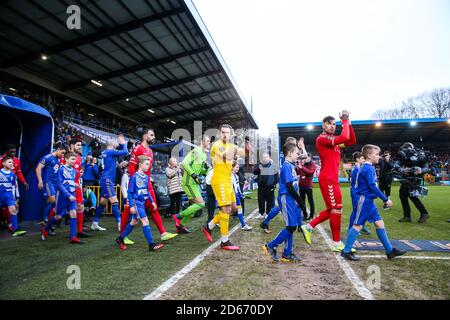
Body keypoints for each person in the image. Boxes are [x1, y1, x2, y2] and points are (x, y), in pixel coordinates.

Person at [301, 110, 357, 252]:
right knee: (336, 210)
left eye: (334, 124)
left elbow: (351, 140)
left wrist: (348, 122)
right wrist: (344, 119)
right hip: (328, 179)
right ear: (323, 126)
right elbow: (344, 136)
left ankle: (308, 227)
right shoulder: (322, 138)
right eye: (329, 124)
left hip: (332, 179)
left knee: (333, 209)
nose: (332, 126)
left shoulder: (335, 143)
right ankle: (336, 243)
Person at [341, 145, 406, 261]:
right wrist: (385, 199)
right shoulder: (368, 168)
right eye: (376, 154)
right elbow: (372, 186)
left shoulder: (368, 167)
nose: (379, 156)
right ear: (369, 156)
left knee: (379, 224)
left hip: (369, 201)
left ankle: (390, 251)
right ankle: (346, 251)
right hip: (364, 200)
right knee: (358, 225)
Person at [120, 129, 177, 241]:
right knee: (128, 210)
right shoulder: (137, 149)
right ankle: (123, 236)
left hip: (147, 185)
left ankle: (163, 233)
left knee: (154, 207)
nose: (153, 137)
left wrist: (149, 179)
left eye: (154, 135)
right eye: (151, 135)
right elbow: (132, 169)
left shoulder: (150, 151)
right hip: (137, 186)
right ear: (145, 136)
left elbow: (147, 170)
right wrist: (135, 185)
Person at [201, 124, 243, 251]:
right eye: (223, 132)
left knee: (233, 209)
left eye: (228, 133)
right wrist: (235, 148)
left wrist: (240, 149)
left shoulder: (230, 145)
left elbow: (244, 153)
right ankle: (225, 241)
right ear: (219, 133)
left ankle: (209, 226)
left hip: (228, 180)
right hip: (219, 180)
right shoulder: (217, 145)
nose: (225, 135)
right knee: (225, 209)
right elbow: (227, 156)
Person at [263, 143, 304, 262]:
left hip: (291, 199)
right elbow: (289, 186)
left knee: (291, 226)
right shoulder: (286, 166)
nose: (298, 155)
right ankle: (271, 246)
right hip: (286, 198)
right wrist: (300, 202)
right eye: (297, 153)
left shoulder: (291, 166)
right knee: (291, 226)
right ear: (290, 153)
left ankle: (287, 252)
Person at [115, 155, 164, 252]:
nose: (148, 166)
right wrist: (132, 206)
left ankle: (120, 239)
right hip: (136, 203)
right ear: (140, 165)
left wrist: (152, 201)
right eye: (146, 164)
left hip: (142, 203)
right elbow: (130, 192)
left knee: (134, 222)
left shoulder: (146, 177)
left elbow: (147, 191)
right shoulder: (134, 177)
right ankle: (151, 245)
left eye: (149, 165)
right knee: (145, 221)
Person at [260, 137, 307, 234]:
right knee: (295, 203)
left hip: (286, 179)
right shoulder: (287, 159)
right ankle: (299, 225)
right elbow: (305, 156)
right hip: (287, 180)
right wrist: (303, 147)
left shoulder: (283, 155)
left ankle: (266, 222)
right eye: (295, 144)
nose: (296, 145)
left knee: (279, 206)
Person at [41, 152, 83, 244]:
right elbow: (59, 184)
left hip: (72, 195)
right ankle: (46, 228)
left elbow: (68, 182)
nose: (74, 161)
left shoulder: (74, 171)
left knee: (73, 214)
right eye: (72, 159)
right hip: (63, 196)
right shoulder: (61, 169)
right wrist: (68, 195)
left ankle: (73, 237)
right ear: (66, 159)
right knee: (58, 216)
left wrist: (74, 185)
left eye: (75, 159)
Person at [173, 136, 210, 233]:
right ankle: (177, 216)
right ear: (202, 141)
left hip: (194, 183)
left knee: (194, 207)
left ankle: (181, 226)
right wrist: (194, 175)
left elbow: (200, 170)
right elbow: (184, 163)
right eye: (208, 141)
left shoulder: (204, 155)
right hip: (188, 182)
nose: (209, 142)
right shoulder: (196, 151)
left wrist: (205, 168)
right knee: (201, 204)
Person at [92, 134, 128, 231]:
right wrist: (123, 143)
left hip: (105, 179)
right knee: (115, 201)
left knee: (103, 202)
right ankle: (120, 224)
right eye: (115, 141)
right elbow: (125, 151)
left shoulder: (105, 152)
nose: (117, 142)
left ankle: (95, 223)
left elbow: (110, 166)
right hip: (107, 180)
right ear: (112, 144)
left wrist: (119, 165)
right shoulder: (111, 151)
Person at [396, 143, 430, 223]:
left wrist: (420, 170)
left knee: (412, 196)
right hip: (407, 178)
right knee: (403, 196)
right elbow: (397, 164)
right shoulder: (405, 155)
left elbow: (426, 167)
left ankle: (423, 213)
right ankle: (407, 216)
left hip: (414, 178)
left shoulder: (419, 155)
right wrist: (402, 169)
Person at [35, 142, 66, 224]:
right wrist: (40, 181)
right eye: (62, 152)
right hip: (49, 183)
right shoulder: (48, 157)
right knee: (53, 201)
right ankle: (46, 220)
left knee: (50, 202)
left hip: (56, 183)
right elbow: (38, 168)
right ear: (58, 149)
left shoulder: (58, 159)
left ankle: (46, 220)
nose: (63, 155)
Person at [0, 157, 27, 237]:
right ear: (3, 163)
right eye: (9, 162)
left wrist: (15, 199)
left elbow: (13, 187)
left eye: (12, 162)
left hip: (9, 196)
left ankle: (15, 230)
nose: (12, 163)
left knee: (13, 210)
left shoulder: (13, 175)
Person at [349, 152, 370, 235]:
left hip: (360, 191)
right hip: (355, 192)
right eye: (362, 158)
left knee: (363, 209)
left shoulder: (360, 168)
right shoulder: (356, 169)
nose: (364, 160)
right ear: (357, 159)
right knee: (356, 210)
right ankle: (351, 228)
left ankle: (362, 226)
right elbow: (356, 183)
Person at [253, 153, 279, 219]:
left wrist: (274, 183)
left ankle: (268, 213)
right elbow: (255, 172)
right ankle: (261, 213)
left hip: (270, 186)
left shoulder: (273, 165)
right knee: (261, 200)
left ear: (269, 157)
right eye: (264, 157)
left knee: (269, 200)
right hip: (261, 186)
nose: (265, 158)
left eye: (266, 157)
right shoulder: (259, 165)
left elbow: (276, 175)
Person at [232, 161, 252, 231]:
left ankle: (243, 225)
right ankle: (213, 223)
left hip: (236, 196)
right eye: (236, 167)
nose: (238, 169)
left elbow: (237, 188)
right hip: (232, 197)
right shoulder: (230, 176)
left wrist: (241, 194)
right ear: (232, 167)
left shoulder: (236, 176)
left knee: (239, 210)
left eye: (238, 167)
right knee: (227, 212)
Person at [297, 153, 317, 221]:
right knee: (302, 202)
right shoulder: (303, 165)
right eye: (304, 158)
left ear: (310, 158)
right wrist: (297, 167)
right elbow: (297, 172)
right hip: (301, 186)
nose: (305, 159)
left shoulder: (313, 165)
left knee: (310, 201)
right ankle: (305, 215)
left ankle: (311, 215)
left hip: (308, 187)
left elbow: (310, 172)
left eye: (306, 158)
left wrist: (302, 167)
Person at [119, 161, 134, 245]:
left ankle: (123, 236)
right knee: (126, 217)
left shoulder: (132, 175)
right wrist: (125, 197)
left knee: (130, 218)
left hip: (131, 198)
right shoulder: (125, 176)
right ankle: (123, 236)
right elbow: (123, 187)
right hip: (128, 198)